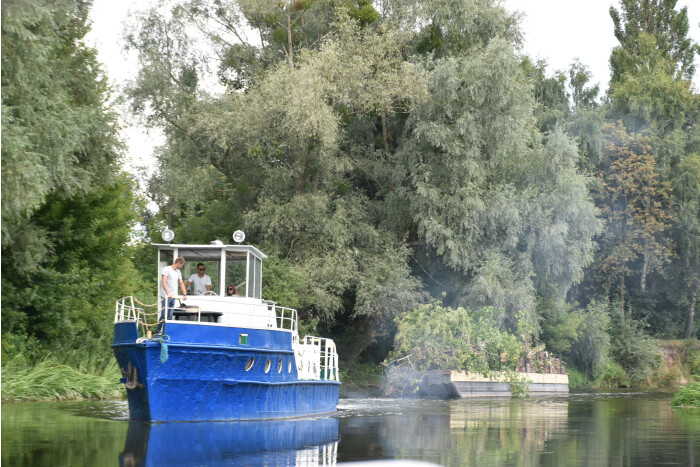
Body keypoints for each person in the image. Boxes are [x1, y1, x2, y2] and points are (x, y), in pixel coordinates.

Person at [158, 257, 188, 332]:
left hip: (173, 297)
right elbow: (164, 281)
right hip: (166, 296)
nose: (182, 267)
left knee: (170, 316)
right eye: (182, 265)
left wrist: (184, 294)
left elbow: (181, 283)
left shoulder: (178, 272)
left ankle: (166, 332)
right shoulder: (166, 269)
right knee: (163, 315)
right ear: (178, 263)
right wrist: (168, 293)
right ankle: (157, 332)